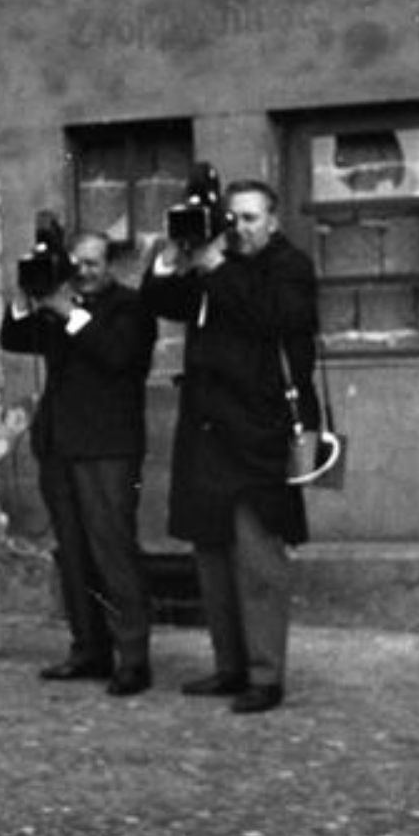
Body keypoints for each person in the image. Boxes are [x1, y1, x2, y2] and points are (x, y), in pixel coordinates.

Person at [142, 179, 319, 715]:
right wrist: (173, 257)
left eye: (250, 218)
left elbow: (272, 317)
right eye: (233, 218)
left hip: (259, 435)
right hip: (208, 434)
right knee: (212, 557)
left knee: (258, 560)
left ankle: (267, 675)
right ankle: (230, 666)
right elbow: (161, 300)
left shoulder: (289, 266)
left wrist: (217, 266)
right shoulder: (216, 263)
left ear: (273, 220)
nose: (240, 228)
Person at [0, 231, 158, 696]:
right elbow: (15, 338)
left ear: (110, 265)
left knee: (113, 549)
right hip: (61, 445)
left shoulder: (129, 307)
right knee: (72, 552)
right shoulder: (59, 305)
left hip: (109, 447)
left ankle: (133, 656)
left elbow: (117, 355)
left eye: (92, 263)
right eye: (77, 264)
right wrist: (26, 296)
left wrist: (68, 311)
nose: (84, 272)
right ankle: (89, 647)